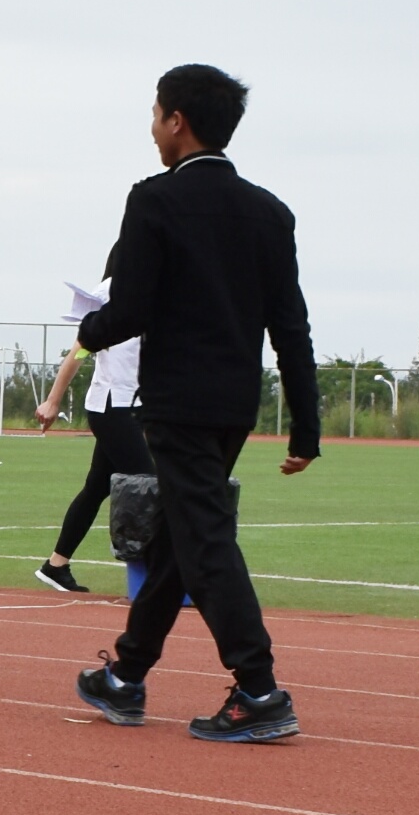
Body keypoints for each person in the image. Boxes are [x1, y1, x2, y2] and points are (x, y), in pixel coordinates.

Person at [71, 64, 321, 743]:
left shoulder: (154, 200)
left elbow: (134, 306)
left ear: (177, 120)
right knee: (184, 533)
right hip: (236, 402)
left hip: (178, 401)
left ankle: (259, 688)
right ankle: (125, 675)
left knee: (204, 539)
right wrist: (306, 422)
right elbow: (289, 325)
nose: (152, 127)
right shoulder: (270, 212)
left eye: (156, 114)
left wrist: (89, 332)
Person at [30, 252, 148, 592]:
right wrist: (52, 401)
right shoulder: (112, 294)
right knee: (149, 484)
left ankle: (56, 565)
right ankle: (155, 574)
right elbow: (80, 350)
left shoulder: (155, 290)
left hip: (134, 406)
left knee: (97, 487)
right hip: (112, 406)